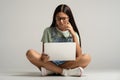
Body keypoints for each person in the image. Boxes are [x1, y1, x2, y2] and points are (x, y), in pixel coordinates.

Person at [26, 4, 91, 76]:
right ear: (55, 19)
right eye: (58, 18)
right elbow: (44, 55)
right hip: (50, 63)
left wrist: (73, 34)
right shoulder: (48, 31)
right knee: (30, 53)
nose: (61, 21)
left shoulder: (74, 33)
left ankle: (52, 70)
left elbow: (79, 55)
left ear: (69, 18)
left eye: (64, 18)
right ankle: (64, 72)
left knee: (87, 58)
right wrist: (44, 57)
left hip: (68, 63)